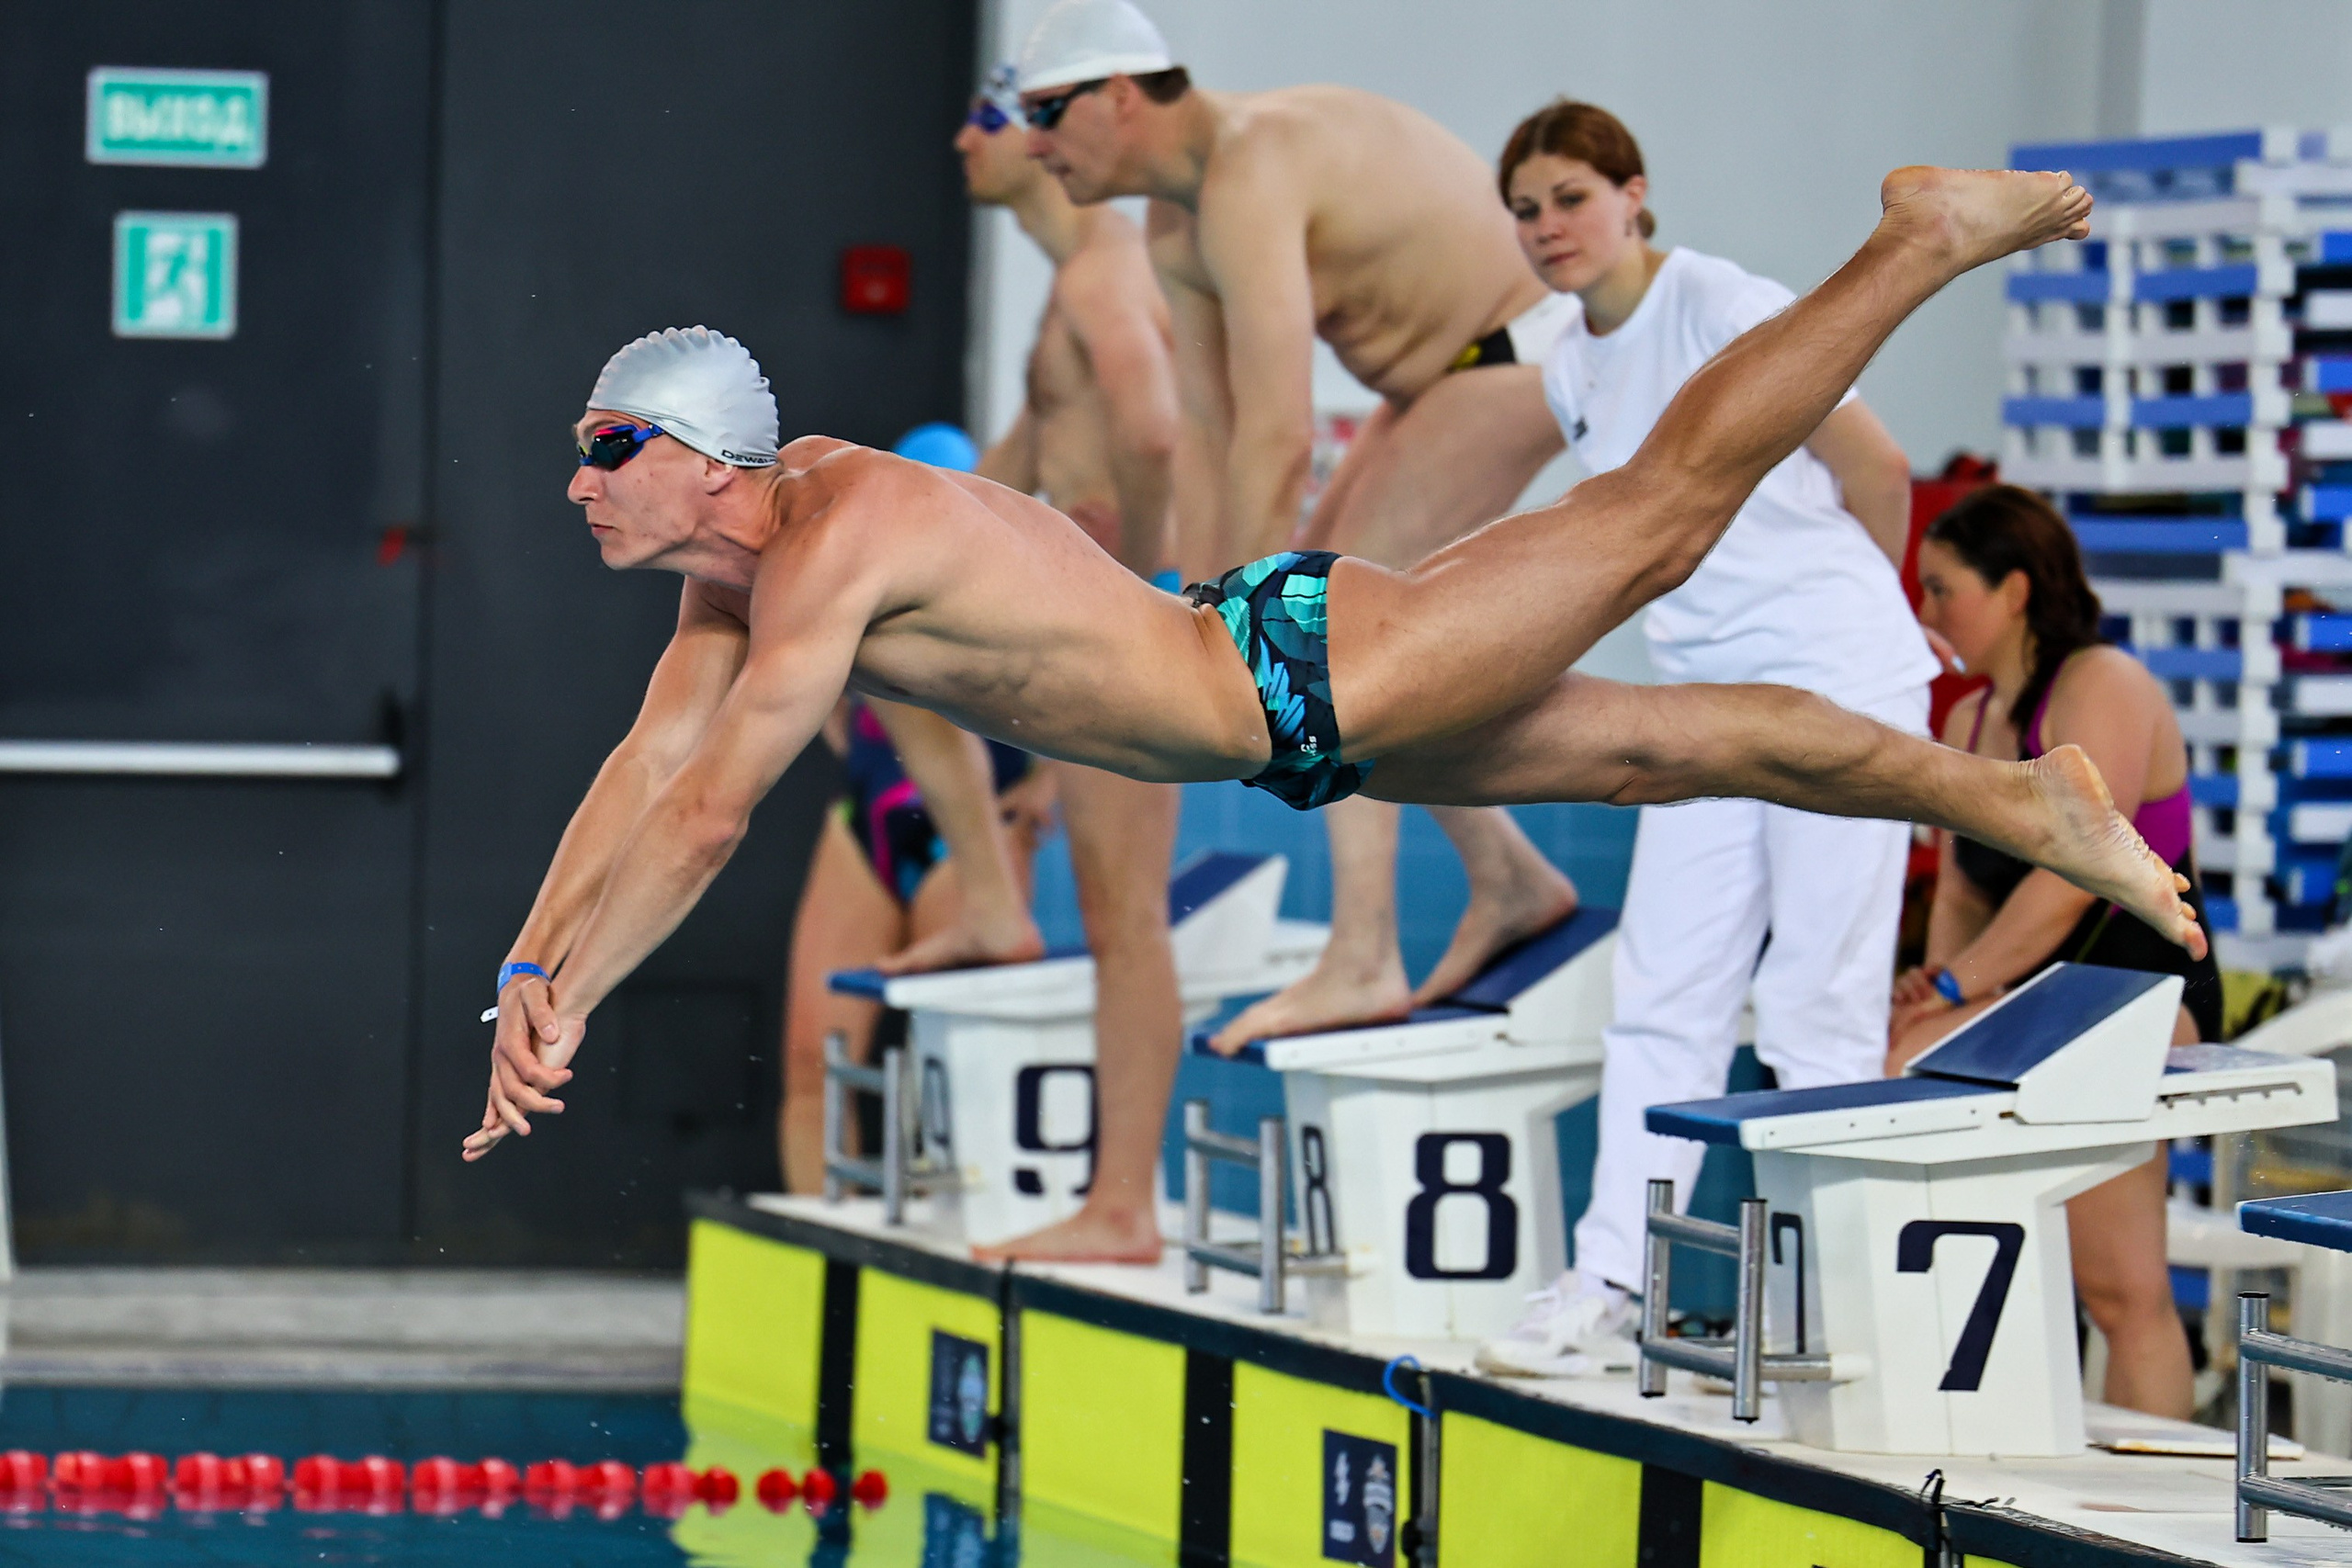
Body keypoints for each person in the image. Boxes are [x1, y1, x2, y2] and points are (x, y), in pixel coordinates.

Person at [464, 167, 2200, 1185]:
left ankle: (1916, 242)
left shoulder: (835, 536)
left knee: (1658, 518)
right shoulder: (739, 585)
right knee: (1668, 754)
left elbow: (706, 812)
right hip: (1302, 726)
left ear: (705, 455)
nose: (577, 481)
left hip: (1295, 663)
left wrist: (584, 998)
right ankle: (2020, 800)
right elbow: (635, 781)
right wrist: (535, 965)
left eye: (605, 446)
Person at [1012, 0, 1584, 1051]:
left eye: (1047, 111)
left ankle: (1365, 954)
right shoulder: (1174, 221)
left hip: (1522, 352)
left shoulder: (1248, 170)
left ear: (1123, 94)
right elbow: (1206, 431)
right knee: (1337, 641)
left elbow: (1274, 435)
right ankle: (1506, 875)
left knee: (1329, 646)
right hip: (1441, 378)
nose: (1031, 141)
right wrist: (1199, 607)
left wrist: (1240, 634)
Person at [1474, 102, 1936, 1377]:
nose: (1546, 228)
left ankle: (1831, 1313)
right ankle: (1613, 1280)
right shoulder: (1568, 359)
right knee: (1662, 993)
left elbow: (1878, 464)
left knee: (1818, 1003)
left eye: (1569, 196)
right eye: (1524, 208)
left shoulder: (1726, 303)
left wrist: (1864, 625)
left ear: (1634, 195)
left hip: (1836, 679)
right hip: (1701, 704)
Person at [1884, 482, 2217, 1418]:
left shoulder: (2103, 684)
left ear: (2016, 590)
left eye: (1943, 589)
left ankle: (2148, 1524)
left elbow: (2077, 873)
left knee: (2121, 1291)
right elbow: (1957, 886)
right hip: (2030, 1002)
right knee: (1910, 1058)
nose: (1927, 612)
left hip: (2138, 988)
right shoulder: (1965, 724)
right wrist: (1933, 996)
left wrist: (1955, 985)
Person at [938, 66, 1188, 1262]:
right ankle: (991, 901)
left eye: (981, 120)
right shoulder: (1067, 289)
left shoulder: (1102, 271)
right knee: (873, 649)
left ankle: (1124, 1206)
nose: (958, 142)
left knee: (1125, 913)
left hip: (1137, 635)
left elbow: (1154, 433)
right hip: (1103, 632)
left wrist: (1145, 599)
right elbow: (996, 481)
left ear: (1035, 136)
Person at [777, 695, 1054, 1193]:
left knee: (958, 1080)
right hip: (865, 817)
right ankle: (829, 1260)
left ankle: (946, 1247)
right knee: (813, 1064)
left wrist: (1053, 781)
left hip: (976, 834)